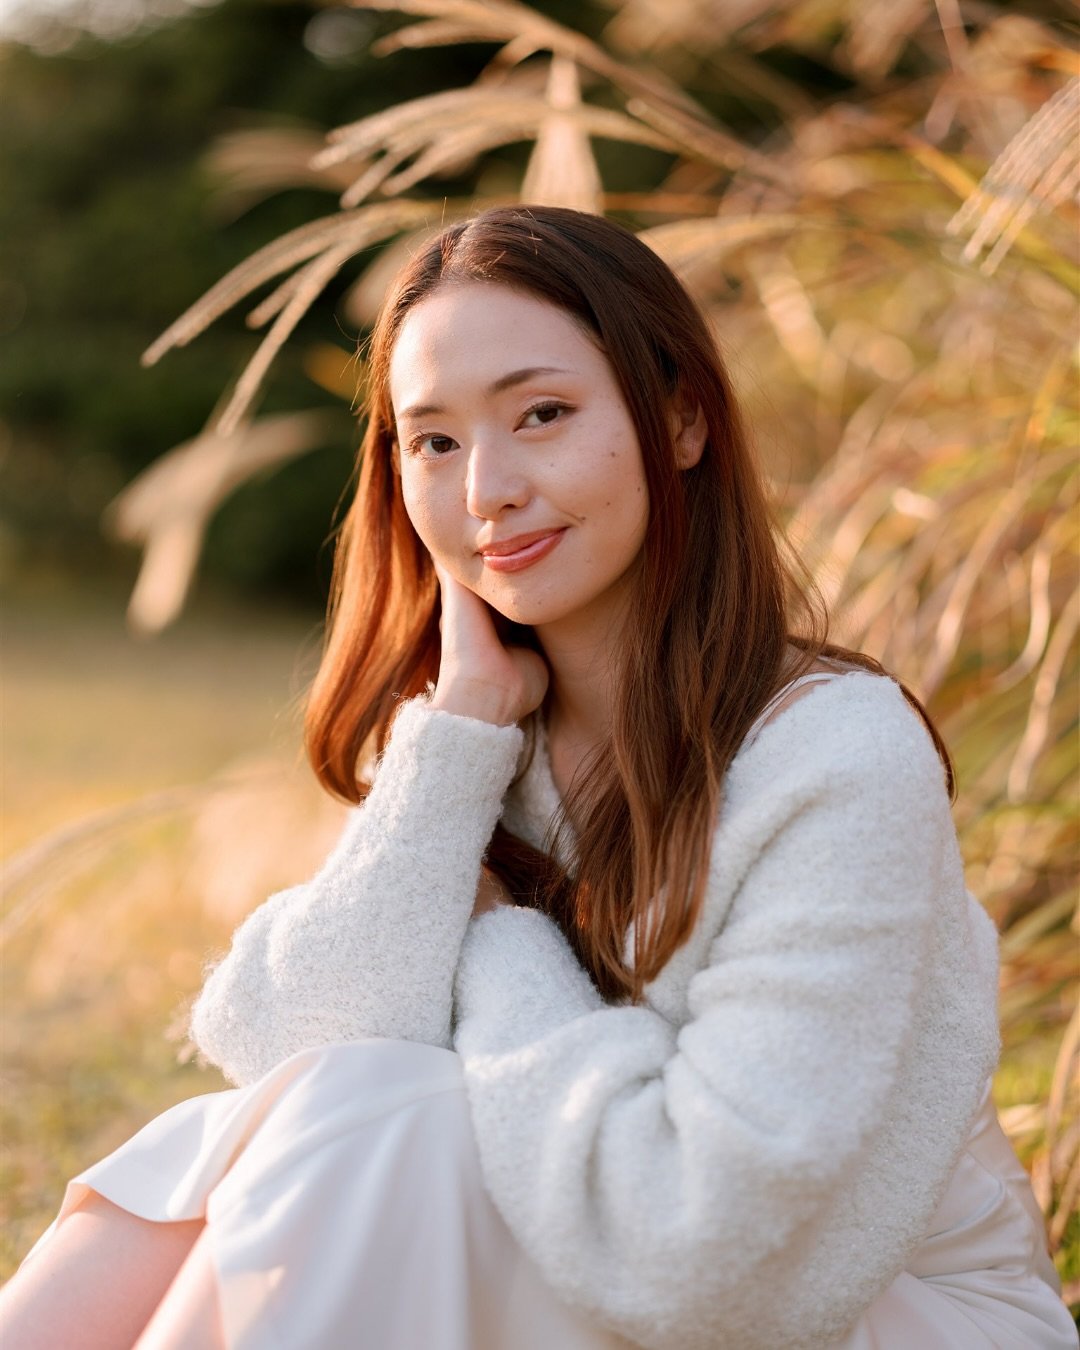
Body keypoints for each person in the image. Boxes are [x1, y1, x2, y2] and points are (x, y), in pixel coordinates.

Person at [1, 206, 1075, 1350]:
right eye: (434, 442)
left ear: (682, 421)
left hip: (876, 1317)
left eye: (542, 415)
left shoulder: (837, 758)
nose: (486, 491)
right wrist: (459, 727)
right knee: (323, 1111)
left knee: (389, 1121)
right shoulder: (481, 743)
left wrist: (497, 941)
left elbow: (707, 1250)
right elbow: (281, 1042)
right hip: (612, 1278)